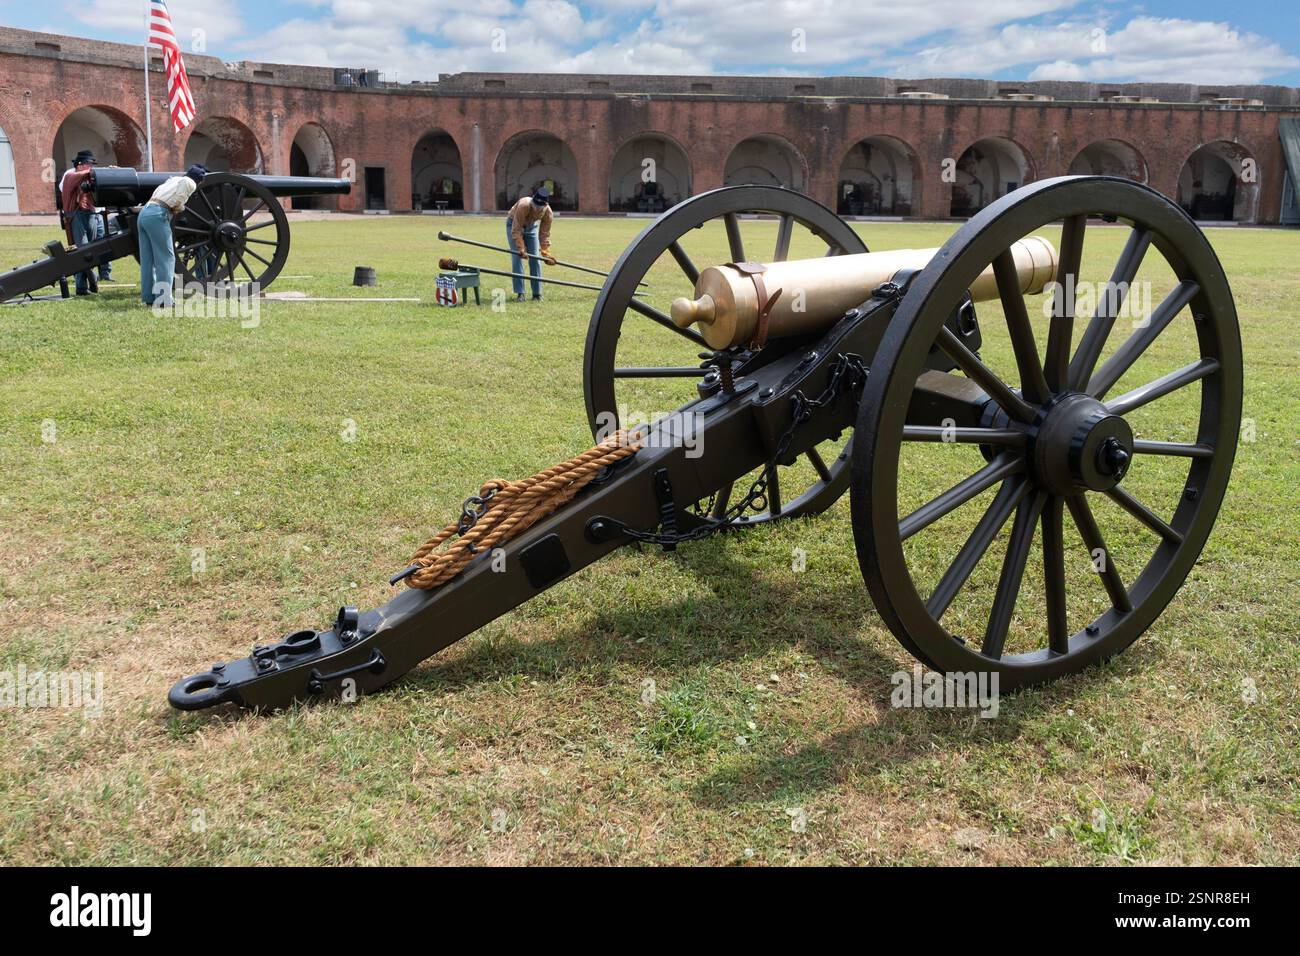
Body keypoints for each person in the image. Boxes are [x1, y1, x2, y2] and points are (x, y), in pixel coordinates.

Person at [138, 164, 207, 307]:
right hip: (158, 214)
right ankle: (164, 299)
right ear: (199, 180)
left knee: (148, 259)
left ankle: (149, 297)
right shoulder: (190, 183)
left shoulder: (173, 179)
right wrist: (180, 208)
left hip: (145, 212)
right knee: (166, 258)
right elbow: (178, 200)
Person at [58, 149, 104, 295]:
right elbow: (79, 176)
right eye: (88, 164)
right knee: (82, 251)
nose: (91, 168)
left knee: (90, 251)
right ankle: (89, 282)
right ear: (79, 165)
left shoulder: (88, 177)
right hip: (76, 216)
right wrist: (101, 172)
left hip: (90, 214)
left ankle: (83, 287)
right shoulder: (70, 176)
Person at [506, 185, 557, 301]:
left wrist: (545, 252)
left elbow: (544, 234)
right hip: (513, 224)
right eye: (535, 206)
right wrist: (521, 248)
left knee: (535, 259)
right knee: (517, 257)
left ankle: (537, 294)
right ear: (533, 200)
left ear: (545, 205)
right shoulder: (524, 205)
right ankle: (520, 293)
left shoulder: (548, 213)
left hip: (531, 227)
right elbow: (516, 229)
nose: (536, 209)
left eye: (539, 207)